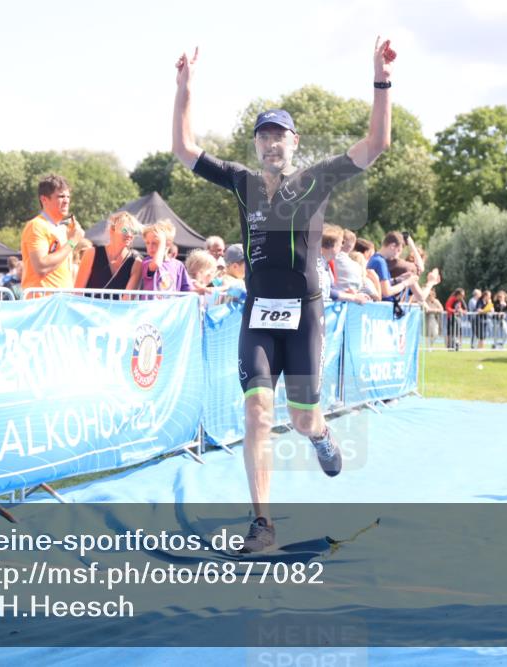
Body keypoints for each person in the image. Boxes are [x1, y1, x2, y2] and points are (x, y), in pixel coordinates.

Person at [172, 36, 397, 552]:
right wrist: (185, 88)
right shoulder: (241, 182)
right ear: (256, 145)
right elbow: (184, 149)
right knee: (255, 412)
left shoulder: (316, 181)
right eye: (264, 136)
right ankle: (263, 524)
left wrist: (380, 77)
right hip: (257, 313)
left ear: (294, 144)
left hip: (305, 317)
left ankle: (319, 435)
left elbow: (377, 144)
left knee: (301, 418)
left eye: (281, 136)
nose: (273, 144)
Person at [20, 174, 85, 297]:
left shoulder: (63, 229)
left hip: (61, 302)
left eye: (68, 196)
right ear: (44, 199)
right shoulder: (36, 226)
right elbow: (41, 267)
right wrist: (73, 241)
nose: (66, 201)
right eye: (60, 196)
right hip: (42, 303)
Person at [74, 211, 144, 298]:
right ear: (112, 230)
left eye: (133, 231)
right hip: (88, 309)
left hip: (117, 310)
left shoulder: (136, 262)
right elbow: (78, 292)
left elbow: (127, 300)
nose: (130, 235)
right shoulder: (91, 254)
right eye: (125, 230)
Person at [140, 220, 192, 295]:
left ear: (168, 243)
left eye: (154, 243)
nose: (150, 247)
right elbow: (156, 264)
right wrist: (162, 242)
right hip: (151, 306)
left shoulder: (178, 265)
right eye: (147, 243)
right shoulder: (146, 262)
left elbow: (187, 289)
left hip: (170, 306)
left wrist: (202, 290)